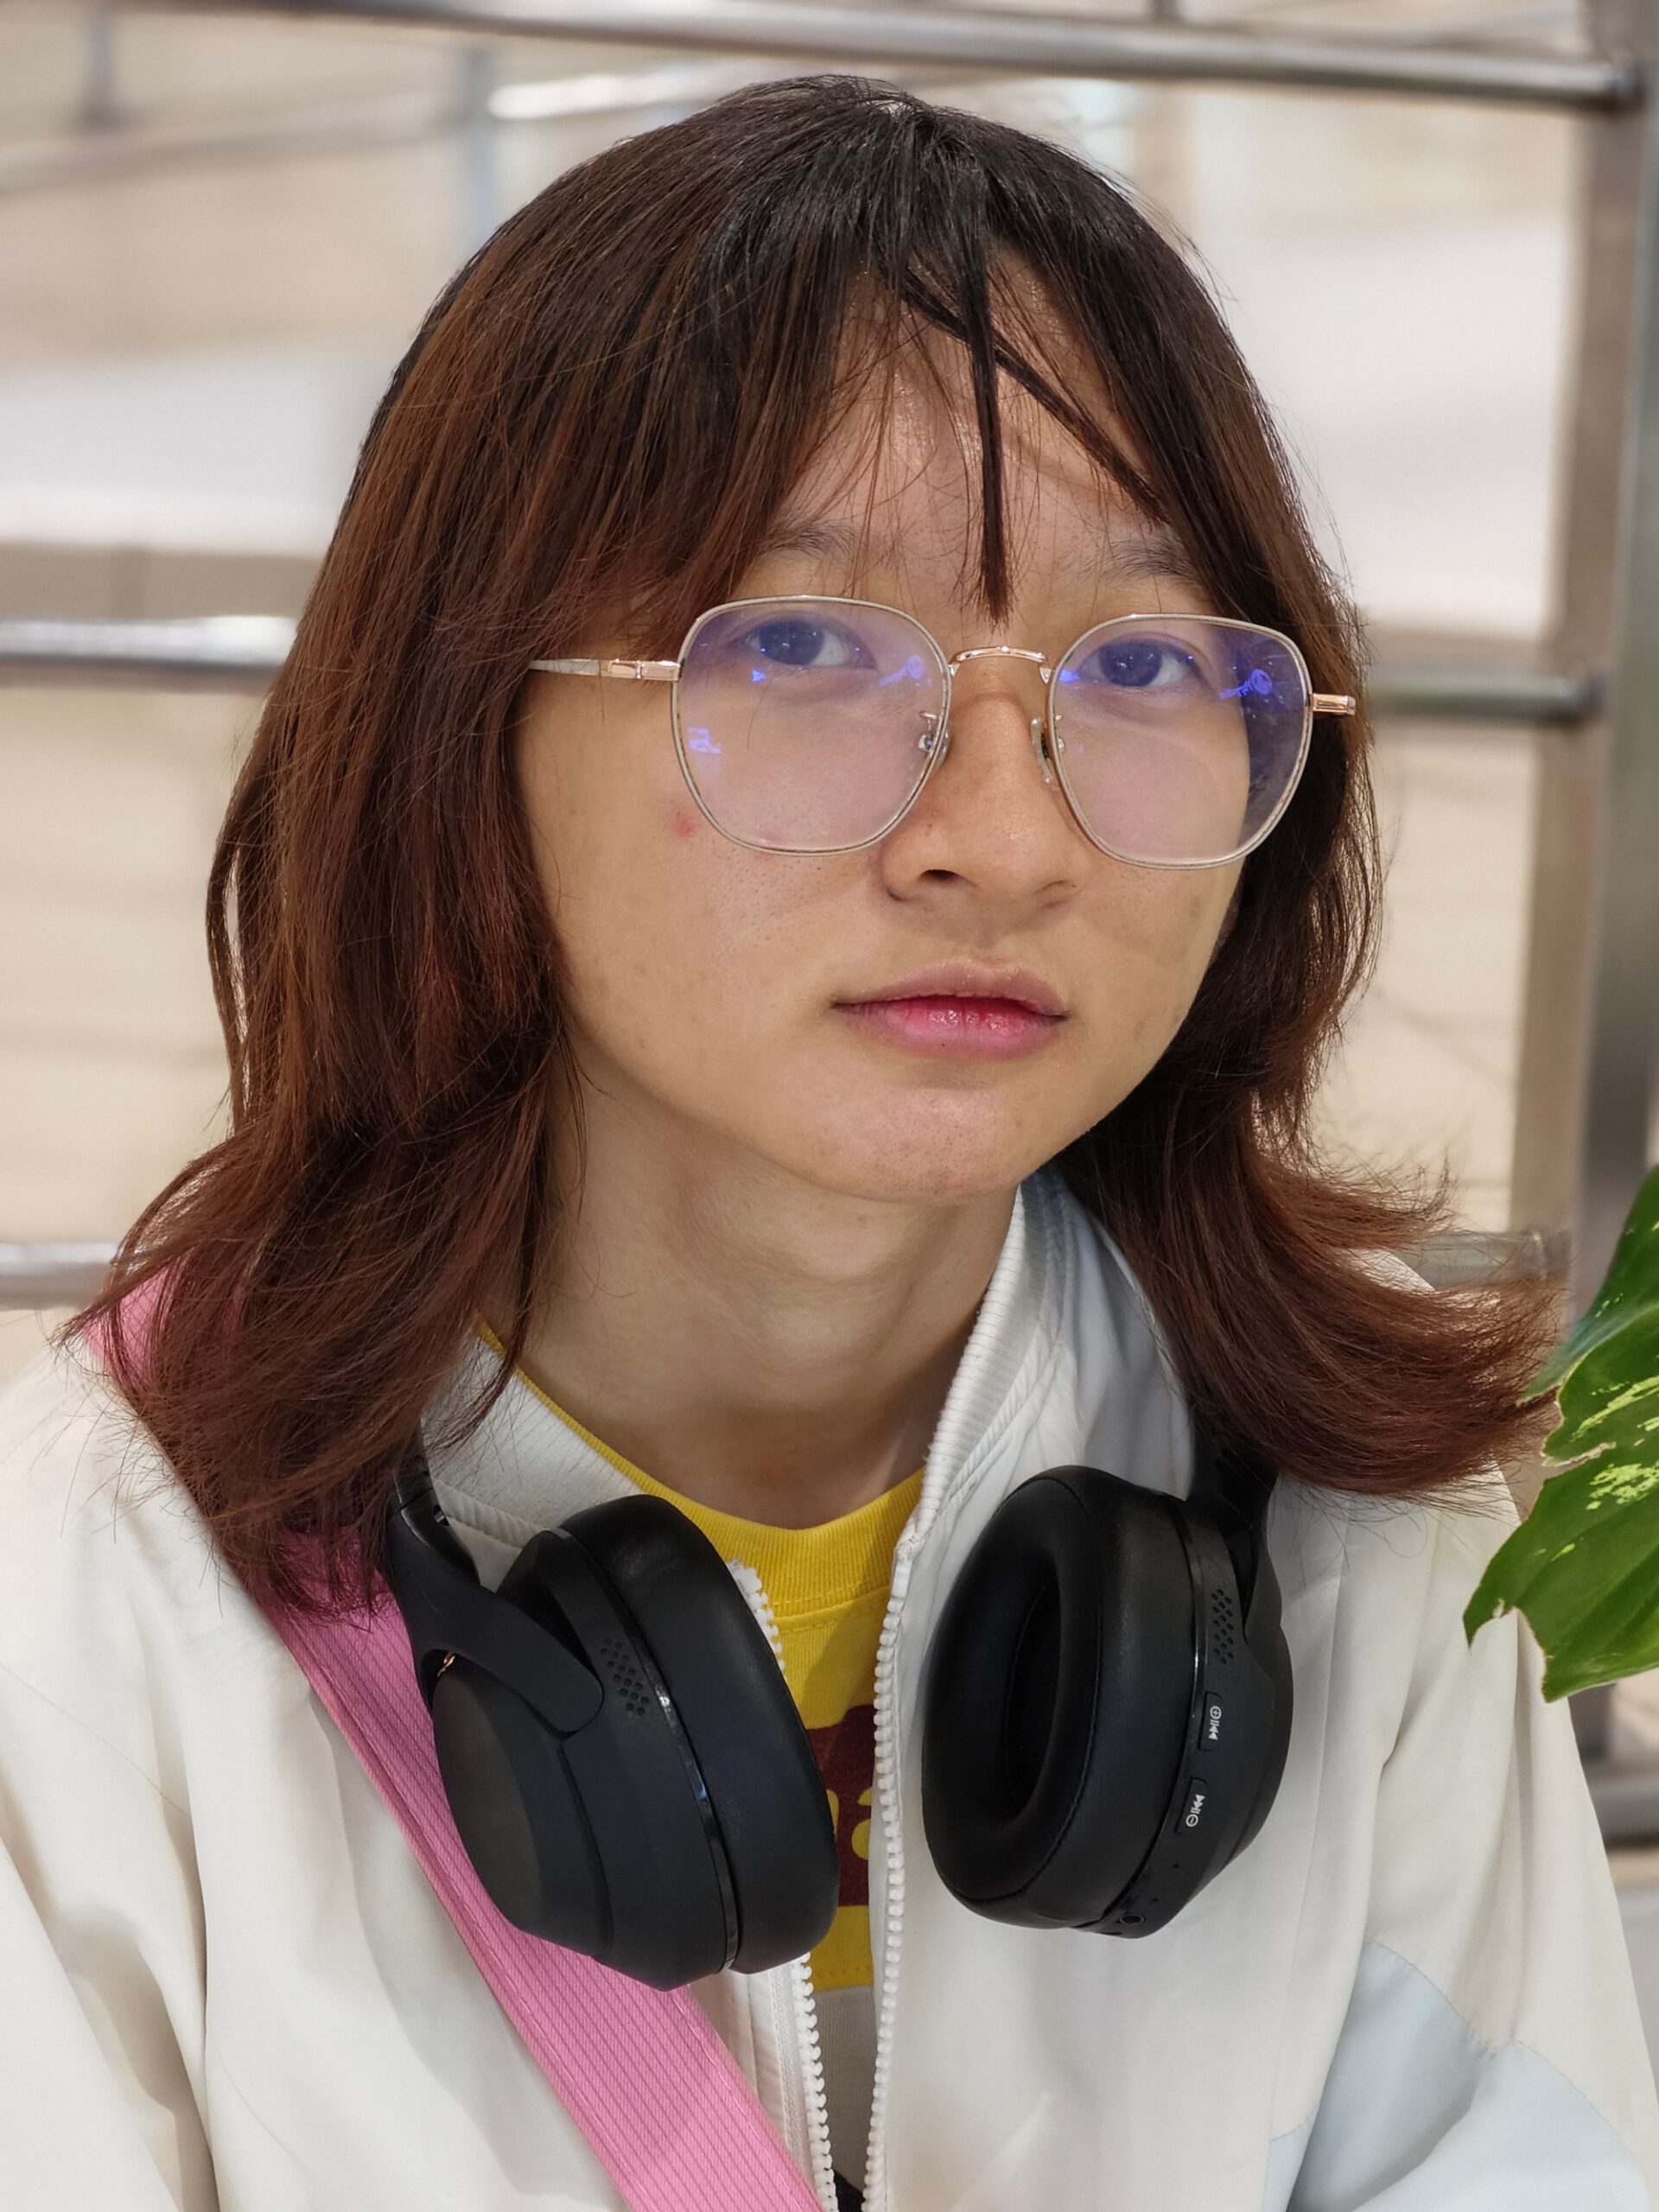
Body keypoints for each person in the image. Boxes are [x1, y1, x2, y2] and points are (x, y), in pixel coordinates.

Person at [1, 71, 1654, 2212]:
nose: (1004, 837)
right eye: (797, 644)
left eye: (1145, 661)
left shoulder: (1357, 1526)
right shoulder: (99, 1606)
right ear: (459, 725)